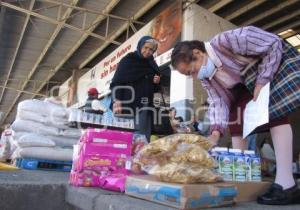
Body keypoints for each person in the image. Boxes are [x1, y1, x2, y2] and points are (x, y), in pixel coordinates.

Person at [171, 26, 300, 205]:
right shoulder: (206, 77)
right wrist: (215, 133)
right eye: (189, 75)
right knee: (235, 121)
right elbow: (218, 102)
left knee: (275, 114)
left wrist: (263, 80)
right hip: (244, 88)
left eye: (191, 71)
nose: (193, 76)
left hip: (266, 72)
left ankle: (287, 183)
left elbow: (272, 43)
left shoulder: (228, 41)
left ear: (197, 53)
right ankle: (243, 178)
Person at [110, 36, 161, 141]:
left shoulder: (151, 64)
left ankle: (139, 157)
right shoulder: (128, 60)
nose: (148, 51)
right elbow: (117, 81)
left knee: (142, 137)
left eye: (151, 50)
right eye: (146, 47)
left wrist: (156, 82)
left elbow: (154, 88)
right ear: (140, 45)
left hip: (145, 106)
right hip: (128, 104)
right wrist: (117, 100)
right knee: (125, 136)